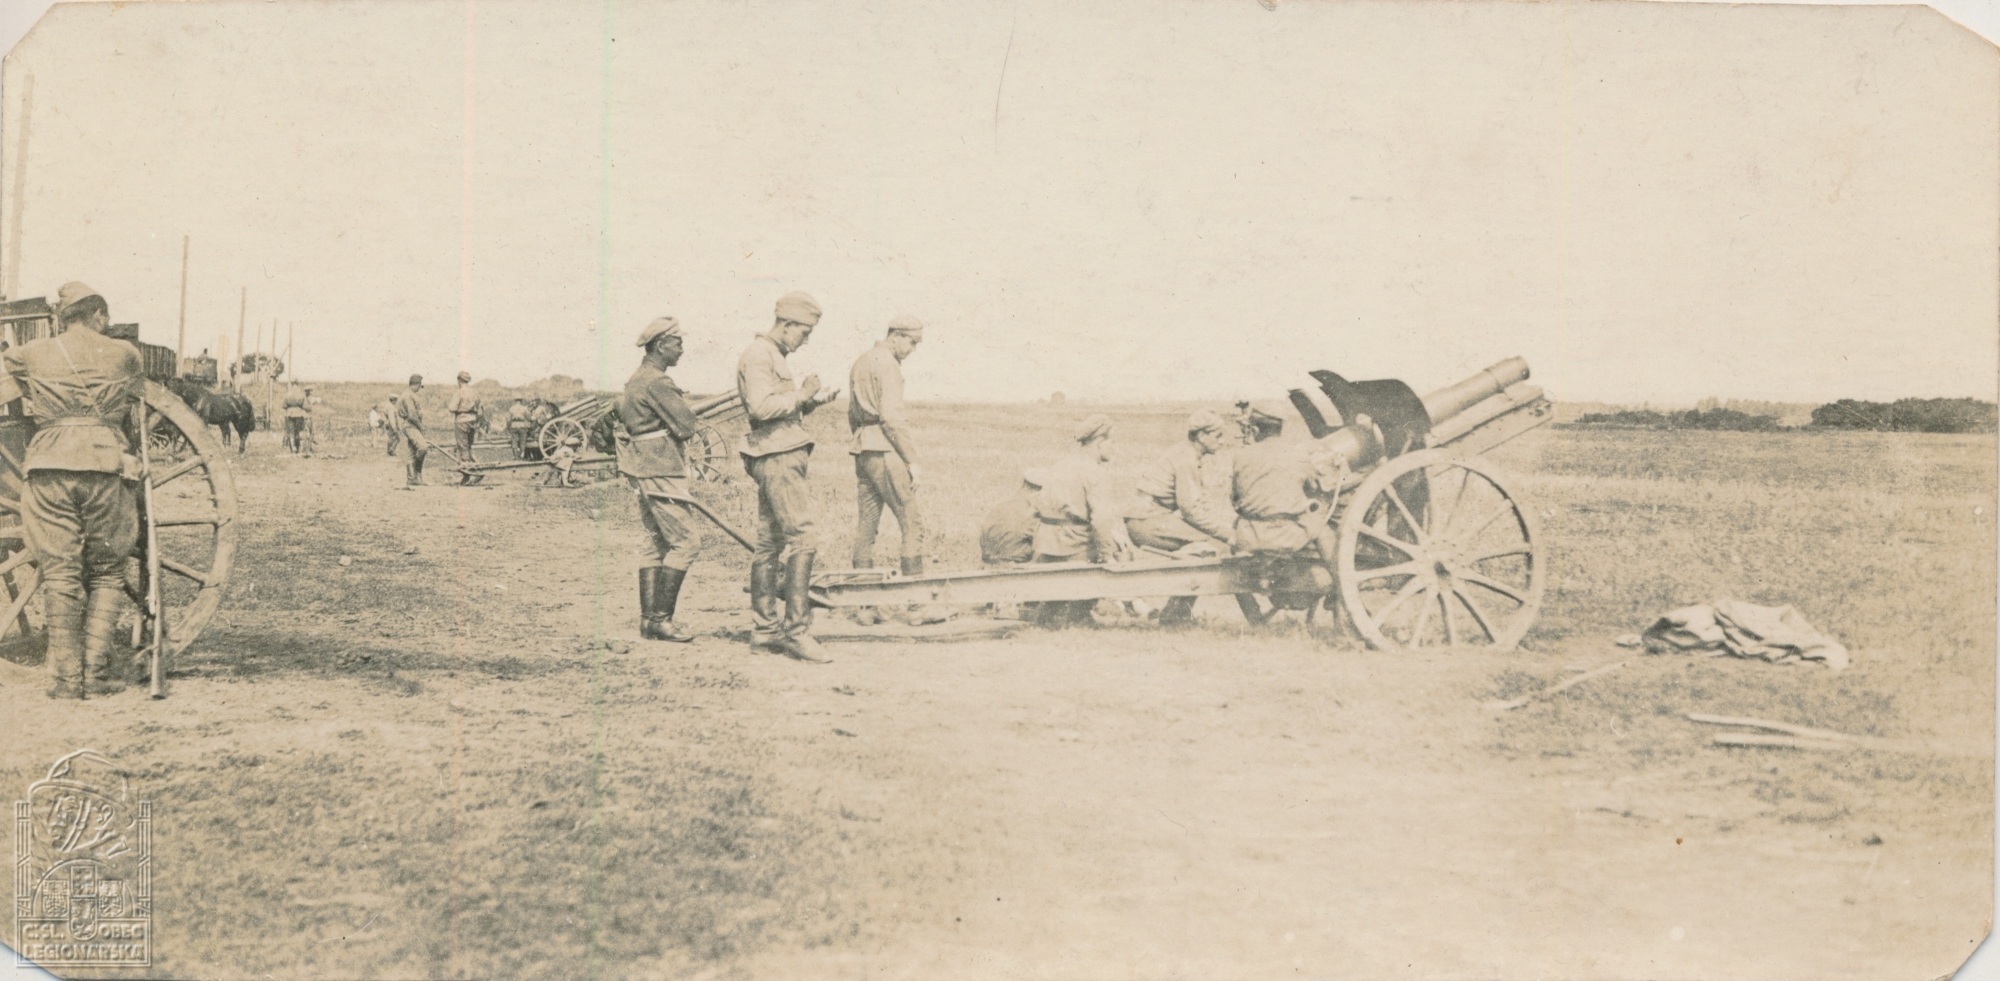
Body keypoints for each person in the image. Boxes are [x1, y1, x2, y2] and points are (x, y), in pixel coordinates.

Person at [4, 283, 144, 698]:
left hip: (47, 466)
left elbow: (10, 371)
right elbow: (135, 388)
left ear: (62, 317)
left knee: (60, 572)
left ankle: (65, 681)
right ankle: (96, 674)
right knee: (108, 571)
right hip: (104, 465)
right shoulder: (124, 353)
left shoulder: (32, 353)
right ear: (97, 314)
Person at [735, 291, 841, 662]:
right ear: (787, 324)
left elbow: (778, 410)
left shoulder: (770, 354)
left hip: (776, 453)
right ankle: (797, 632)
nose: (806, 340)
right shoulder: (759, 354)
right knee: (803, 537)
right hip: (777, 457)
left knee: (769, 543)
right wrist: (801, 395)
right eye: (804, 332)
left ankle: (765, 631)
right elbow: (761, 408)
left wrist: (811, 401)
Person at [846, 314, 940, 625]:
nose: (913, 349)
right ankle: (917, 608)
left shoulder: (861, 361)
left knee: (866, 527)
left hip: (863, 449)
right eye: (912, 342)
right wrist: (912, 460)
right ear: (896, 336)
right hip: (886, 450)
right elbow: (891, 418)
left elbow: (852, 413)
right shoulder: (888, 364)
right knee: (912, 524)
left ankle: (865, 608)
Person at [617, 317, 706, 642]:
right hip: (662, 468)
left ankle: (648, 621)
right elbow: (686, 427)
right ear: (660, 345)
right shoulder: (658, 382)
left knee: (655, 542)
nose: (682, 349)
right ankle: (661, 620)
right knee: (686, 542)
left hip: (644, 467)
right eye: (677, 343)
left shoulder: (637, 379)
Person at [1230, 406, 1350, 624]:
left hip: (1249, 536)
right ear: (1280, 429)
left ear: (1255, 430)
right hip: (1288, 536)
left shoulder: (1240, 456)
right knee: (1322, 530)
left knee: (1231, 552)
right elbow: (1314, 487)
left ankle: (1253, 615)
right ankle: (1342, 588)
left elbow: (1233, 497)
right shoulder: (1298, 455)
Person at [1122, 409, 1237, 624]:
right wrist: (1228, 535)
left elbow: (1198, 504)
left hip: (1147, 519)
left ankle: (1176, 613)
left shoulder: (1187, 454)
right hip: (1147, 522)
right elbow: (1191, 511)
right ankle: (1175, 615)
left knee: (1208, 546)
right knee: (1212, 548)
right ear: (1201, 436)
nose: (1222, 441)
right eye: (1218, 435)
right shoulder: (1186, 459)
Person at [1027, 414, 1135, 627]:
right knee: (1121, 549)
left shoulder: (1061, 464)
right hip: (1073, 545)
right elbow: (1101, 520)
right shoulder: (1094, 472)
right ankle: (1081, 613)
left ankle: (1050, 614)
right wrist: (1106, 556)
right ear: (1100, 442)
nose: (1115, 448)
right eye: (1113, 442)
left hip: (1046, 544)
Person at [979, 469, 1045, 566]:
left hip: (990, 564)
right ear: (1039, 490)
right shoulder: (1032, 510)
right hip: (1018, 566)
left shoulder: (999, 505)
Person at [447, 370, 480, 479]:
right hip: (473, 420)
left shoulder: (459, 392)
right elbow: (479, 408)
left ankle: (467, 475)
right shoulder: (474, 392)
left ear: (459, 380)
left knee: (463, 447)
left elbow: (452, 408)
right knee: (469, 446)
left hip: (461, 420)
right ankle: (477, 466)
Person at [397, 374, 427, 488]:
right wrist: (421, 427)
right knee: (423, 447)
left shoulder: (408, 394)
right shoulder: (408, 395)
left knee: (411, 450)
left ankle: (411, 478)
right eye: (420, 385)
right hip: (410, 425)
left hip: (410, 425)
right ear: (417, 384)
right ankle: (416, 475)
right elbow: (412, 415)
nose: (420, 388)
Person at [281, 384, 308, 454]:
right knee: (298, 431)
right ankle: (299, 447)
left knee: (291, 431)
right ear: (297, 384)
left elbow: (284, 405)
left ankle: (293, 447)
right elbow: (305, 406)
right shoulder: (301, 394)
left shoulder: (288, 393)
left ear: (292, 384)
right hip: (299, 414)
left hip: (290, 414)